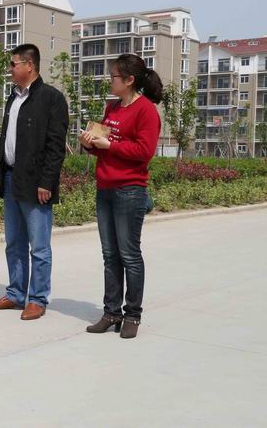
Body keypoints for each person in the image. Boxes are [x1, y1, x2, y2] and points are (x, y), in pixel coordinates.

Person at [81, 54, 162, 339]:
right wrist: (90, 143)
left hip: (130, 190)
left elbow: (144, 152)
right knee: (110, 255)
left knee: (129, 254)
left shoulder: (146, 111)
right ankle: (111, 312)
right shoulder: (112, 107)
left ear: (129, 80)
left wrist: (110, 145)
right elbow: (104, 146)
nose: (109, 80)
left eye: (114, 76)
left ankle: (133, 315)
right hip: (105, 188)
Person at [0, 44, 68, 319]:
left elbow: (55, 147)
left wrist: (47, 182)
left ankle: (38, 298)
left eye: (14, 64)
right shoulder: (13, 97)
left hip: (36, 184)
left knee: (39, 246)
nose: (10, 69)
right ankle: (16, 294)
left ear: (29, 65)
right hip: (11, 178)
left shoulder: (51, 98)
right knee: (14, 243)